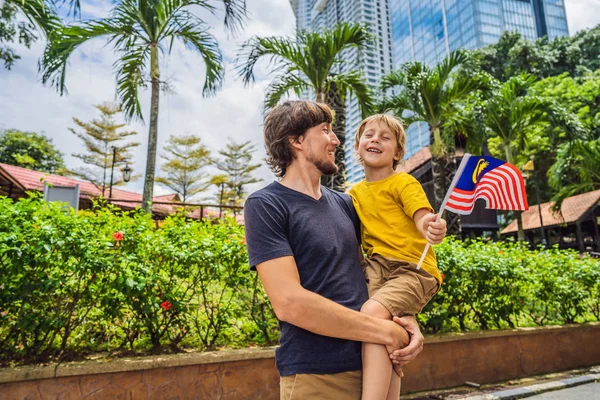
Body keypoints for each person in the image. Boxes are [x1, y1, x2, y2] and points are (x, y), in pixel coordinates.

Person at [244, 101, 425, 400]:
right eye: (325, 131)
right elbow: (289, 303)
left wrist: (407, 323)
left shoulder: (346, 203)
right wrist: (384, 332)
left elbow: (377, 274)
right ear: (297, 140)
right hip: (317, 375)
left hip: (375, 366)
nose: (337, 140)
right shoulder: (266, 205)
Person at [349, 114, 447, 400]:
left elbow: (421, 214)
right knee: (383, 330)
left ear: (398, 153)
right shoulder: (353, 193)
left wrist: (430, 225)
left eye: (385, 137)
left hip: (412, 270)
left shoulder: (403, 183)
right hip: (377, 269)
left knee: (370, 316)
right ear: (357, 146)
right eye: (368, 135)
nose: (375, 139)